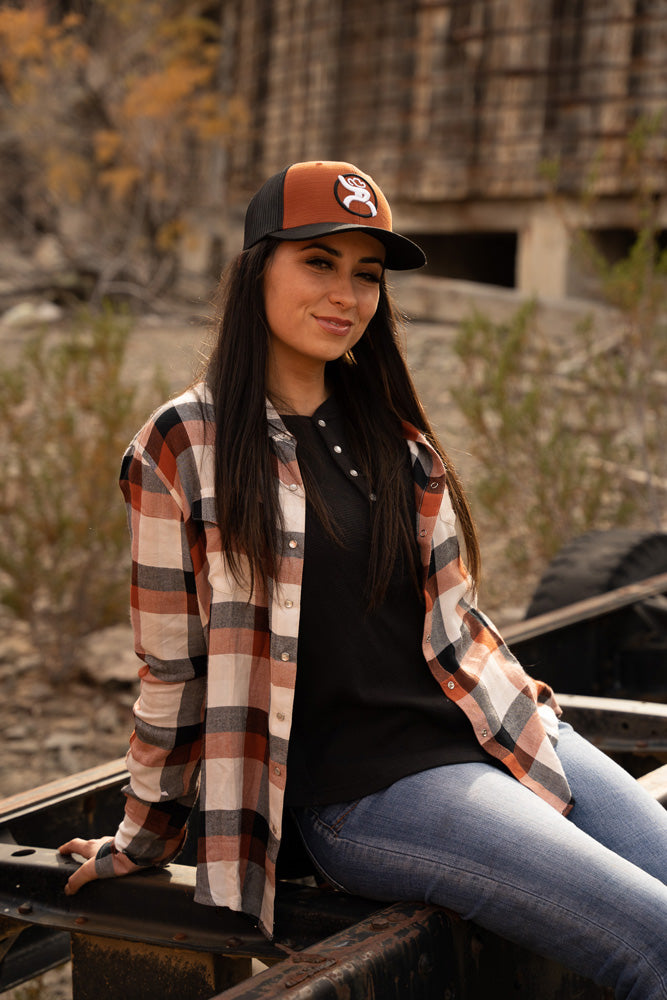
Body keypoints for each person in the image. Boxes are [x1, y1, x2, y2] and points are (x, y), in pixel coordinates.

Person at [59, 160, 667, 997]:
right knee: (653, 941)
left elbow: (455, 624)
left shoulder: (391, 430)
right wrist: (141, 839)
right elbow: (174, 669)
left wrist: (530, 710)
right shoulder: (184, 445)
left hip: (495, 731)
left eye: (366, 274)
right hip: (365, 791)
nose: (345, 293)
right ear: (255, 268)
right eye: (318, 261)